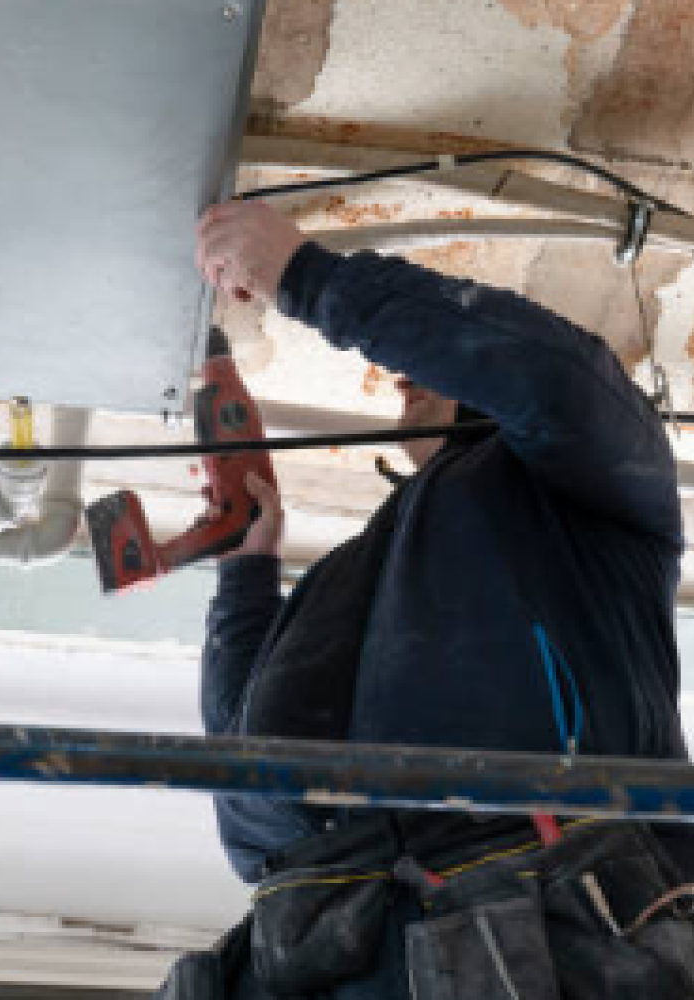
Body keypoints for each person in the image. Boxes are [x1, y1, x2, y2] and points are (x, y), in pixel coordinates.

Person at [187, 200, 694, 998]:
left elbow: (554, 381)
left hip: (358, 937)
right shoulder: (363, 567)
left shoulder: (598, 501)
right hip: (458, 930)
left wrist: (311, 279)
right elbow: (250, 755)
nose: (404, 374)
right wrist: (249, 576)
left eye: (444, 365)